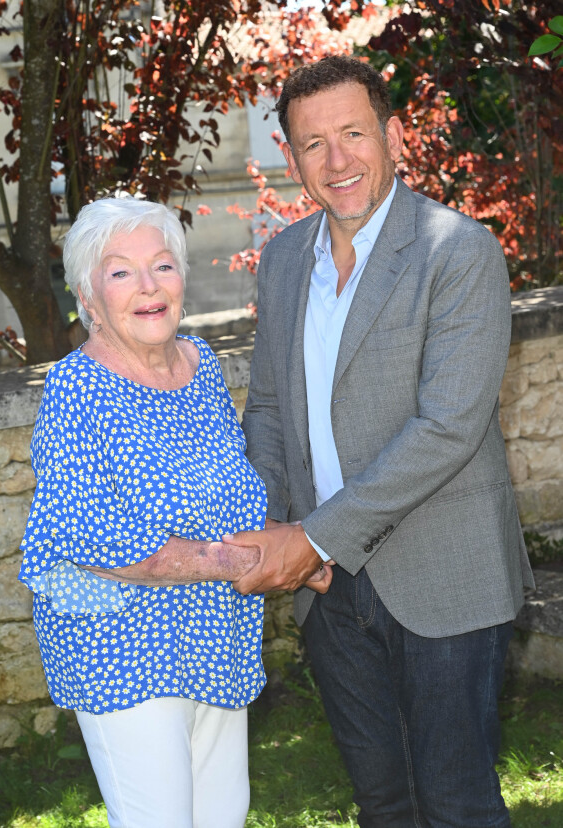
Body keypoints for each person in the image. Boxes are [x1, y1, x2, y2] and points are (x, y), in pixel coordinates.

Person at [229, 56, 535, 827]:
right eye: (312, 144)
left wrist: (313, 539)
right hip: (329, 595)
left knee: (455, 802)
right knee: (383, 804)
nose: (337, 162)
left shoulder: (456, 251)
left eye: (353, 133)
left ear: (393, 135)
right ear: (290, 157)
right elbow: (267, 408)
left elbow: (447, 428)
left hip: (442, 576)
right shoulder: (284, 263)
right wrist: (271, 530)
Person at [18, 196, 327, 828]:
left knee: (223, 816)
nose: (148, 286)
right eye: (121, 271)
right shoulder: (76, 390)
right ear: (89, 295)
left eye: (162, 265)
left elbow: (230, 492)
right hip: (120, 648)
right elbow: (98, 540)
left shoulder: (201, 365)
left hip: (213, 635)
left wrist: (299, 548)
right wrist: (260, 562)